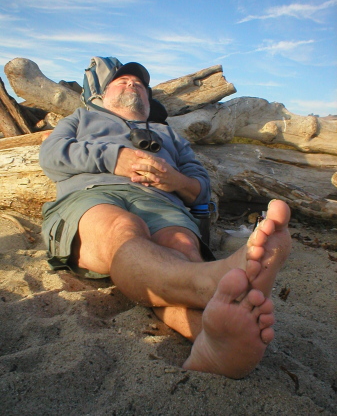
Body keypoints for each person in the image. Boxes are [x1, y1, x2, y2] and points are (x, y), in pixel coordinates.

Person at [39, 61, 292, 379]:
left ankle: (212, 342)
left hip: (161, 204)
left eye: (139, 84)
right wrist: (115, 158)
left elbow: (200, 185)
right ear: (102, 96)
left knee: (182, 248)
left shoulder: (168, 133)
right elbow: (51, 155)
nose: (132, 84)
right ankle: (210, 281)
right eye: (122, 81)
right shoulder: (81, 118)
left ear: (147, 100)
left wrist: (176, 181)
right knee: (124, 230)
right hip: (92, 196)